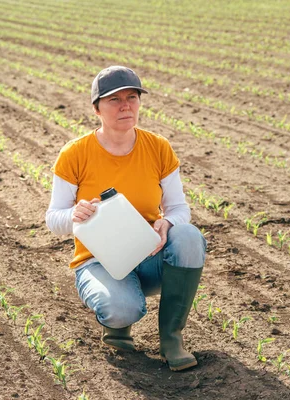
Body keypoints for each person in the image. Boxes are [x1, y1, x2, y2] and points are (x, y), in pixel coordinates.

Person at [45, 66, 207, 371]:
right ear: (96, 109)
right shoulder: (75, 153)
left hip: (147, 252)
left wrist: (168, 223)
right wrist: (74, 215)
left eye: (132, 97)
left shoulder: (158, 148)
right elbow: (53, 218)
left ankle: (171, 339)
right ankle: (119, 323)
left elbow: (179, 209)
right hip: (97, 260)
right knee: (121, 310)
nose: (125, 106)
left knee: (188, 236)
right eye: (114, 100)